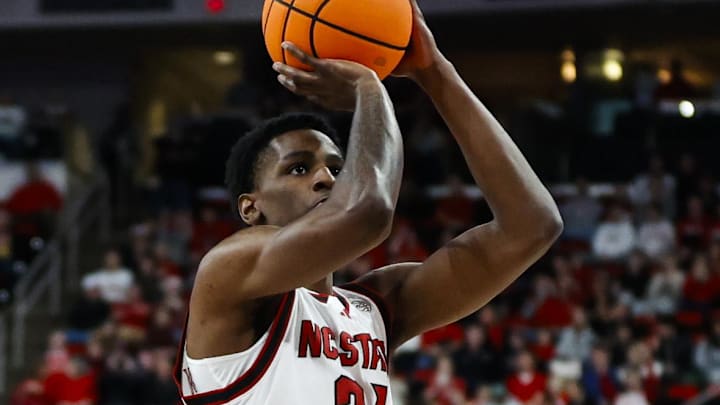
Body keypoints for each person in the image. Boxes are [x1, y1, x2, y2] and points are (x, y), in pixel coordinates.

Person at [175, 2, 563, 403]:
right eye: (298, 169)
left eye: (337, 168)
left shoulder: (374, 309)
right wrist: (370, 89)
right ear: (250, 208)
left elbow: (532, 226)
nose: (326, 177)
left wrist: (435, 74)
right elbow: (368, 213)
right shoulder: (227, 274)